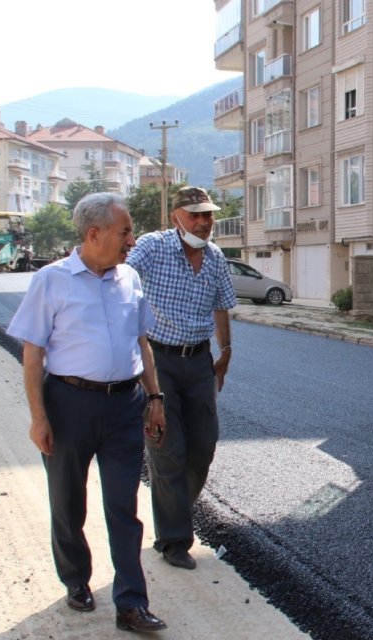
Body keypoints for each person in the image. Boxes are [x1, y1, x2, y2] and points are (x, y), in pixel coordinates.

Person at [6, 193, 168, 633]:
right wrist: (39, 417)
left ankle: (131, 602)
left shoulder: (130, 278)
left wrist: (155, 399)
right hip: (69, 404)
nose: (131, 240)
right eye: (125, 231)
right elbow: (33, 354)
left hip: (124, 405)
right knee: (68, 499)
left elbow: (142, 344)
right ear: (94, 234)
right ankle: (76, 579)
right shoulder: (50, 280)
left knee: (123, 505)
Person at [127, 185, 236, 571]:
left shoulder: (216, 258)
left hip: (199, 363)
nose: (205, 222)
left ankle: (172, 509)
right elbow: (124, 272)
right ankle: (174, 539)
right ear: (177, 216)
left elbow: (222, 305)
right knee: (168, 449)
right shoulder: (154, 247)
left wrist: (226, 351)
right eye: (196, 215)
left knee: (204, 445)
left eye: (208, 215)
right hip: (159, 361)